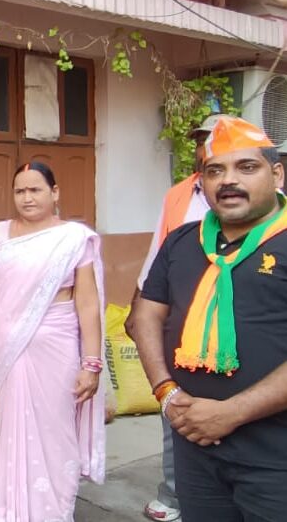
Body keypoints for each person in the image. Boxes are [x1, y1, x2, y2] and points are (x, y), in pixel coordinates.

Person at [133, 116, 287, 522]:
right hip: (194, 449)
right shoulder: (184, 241)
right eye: (215, 170)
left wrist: (231, 413)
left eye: (246, 167)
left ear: (277, 174)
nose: (228, 180)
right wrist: (165, 391)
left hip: (276, 457)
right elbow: (146, 313)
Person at [0, 162, 106, 521]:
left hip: (57, 344)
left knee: (56, 426)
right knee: (12, 423)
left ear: (54, 192)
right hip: (6, 342)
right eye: (20, 191)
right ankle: (9, 506)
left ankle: (53, 510)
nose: (27, 198)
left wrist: (91, 363)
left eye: (35, 190)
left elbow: (87, 303)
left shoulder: (74, 238)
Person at [125, 115, 218, 522]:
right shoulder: (179, 194)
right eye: (201, 141)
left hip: (233, 311)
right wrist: (139, 301)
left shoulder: (265, 194)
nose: (205, 149)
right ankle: (175, 493)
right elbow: (158, 249)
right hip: (181, 312)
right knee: (176, 401)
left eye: (214, 140)